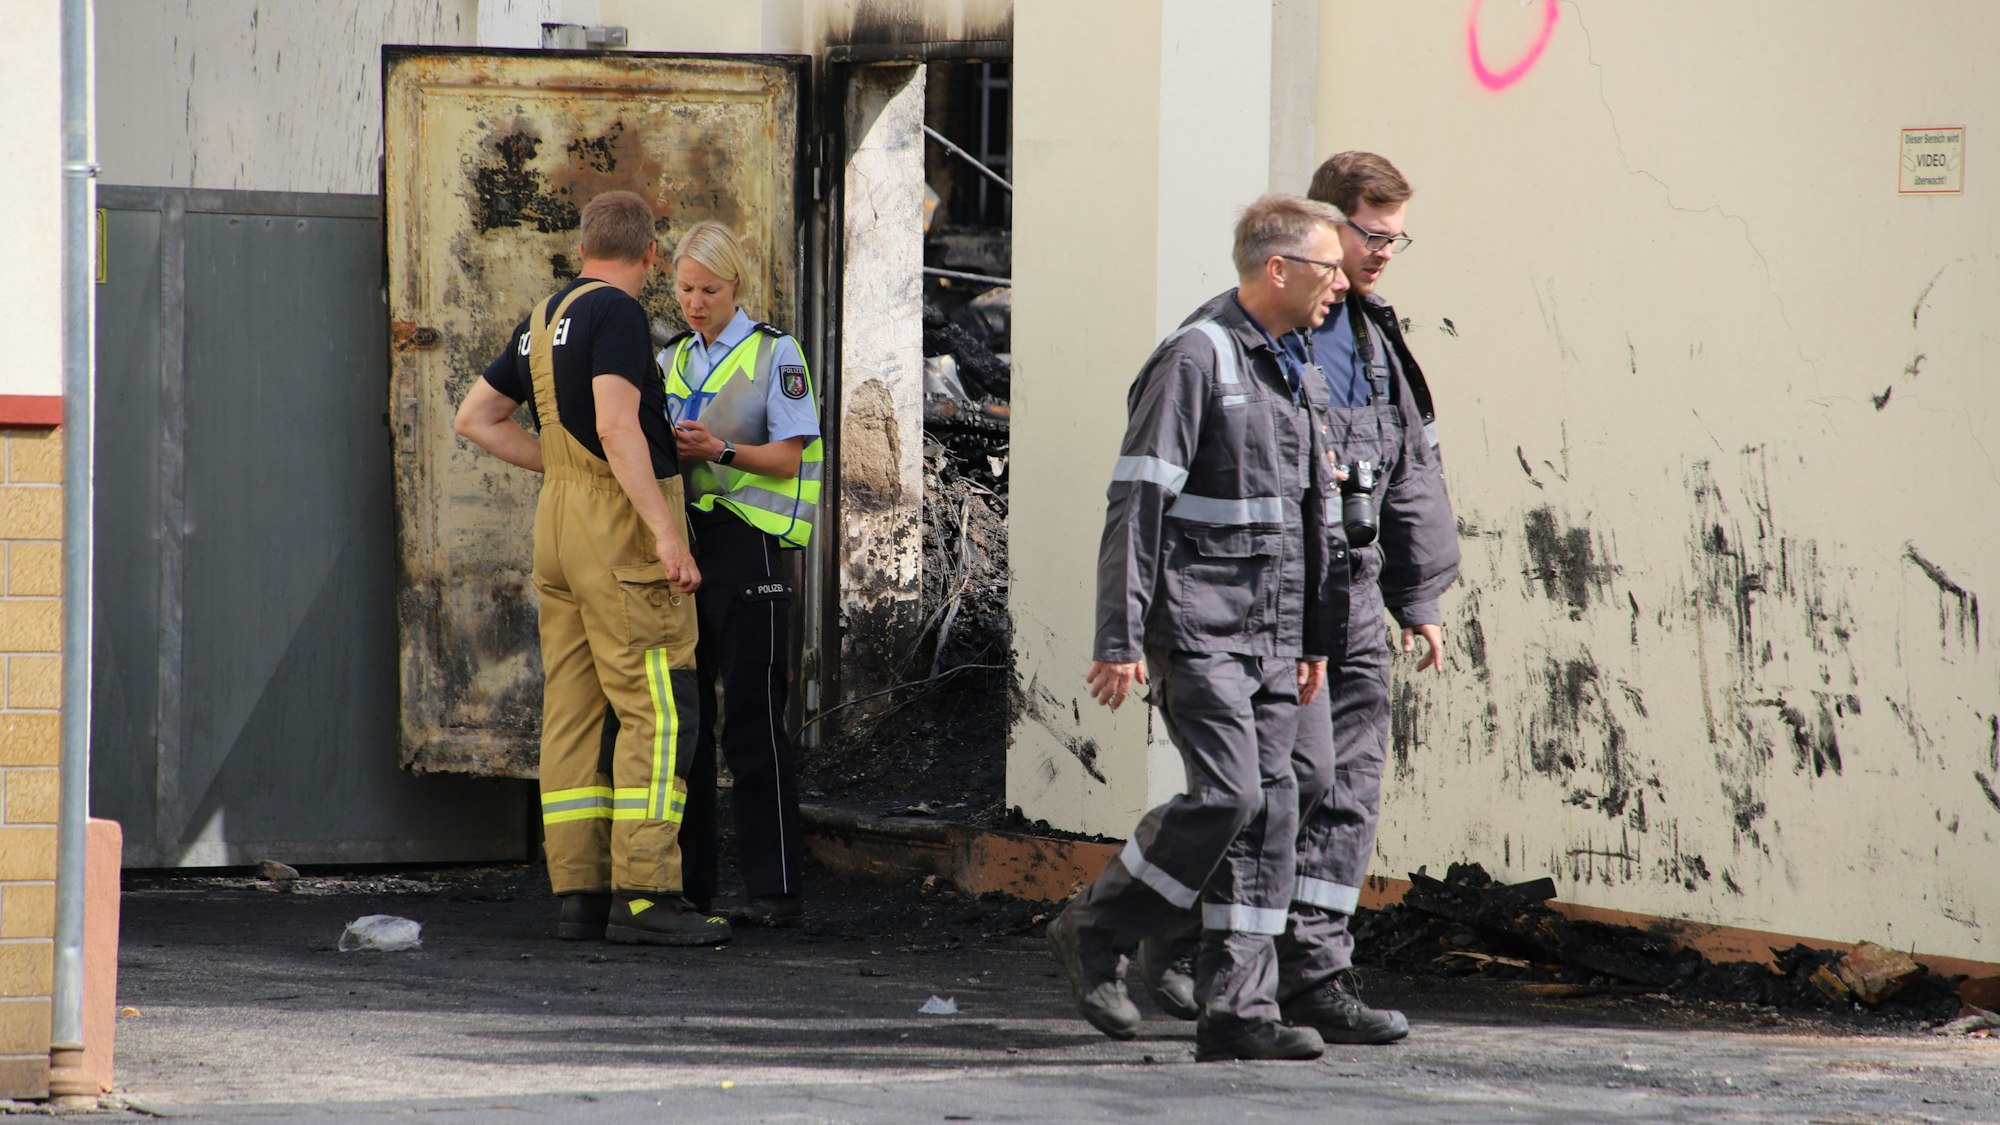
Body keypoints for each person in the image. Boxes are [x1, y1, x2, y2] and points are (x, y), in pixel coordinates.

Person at [1135, 152, 1462, 1044]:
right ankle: (1172, 941)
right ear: (1324, 226)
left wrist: (1419, 593)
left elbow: (1408, 467)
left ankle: (1316, 976)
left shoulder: (1375, 338)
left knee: (1346, 789)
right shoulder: (1261, 333)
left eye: (1398, 236)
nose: (1387, 252)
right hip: (1283, 596)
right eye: (1373, 234)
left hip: (1353, 594)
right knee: (1278, 788)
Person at [1046, 194, 1347, 1063]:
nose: (1340, 283)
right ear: (1277, 269)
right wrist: (1119, 634)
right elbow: (1136, 501)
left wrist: (1312, 639)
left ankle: (1237, 1011)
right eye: (1327, 267)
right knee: (1231, 795)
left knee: (1278, 804)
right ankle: (1096, 927)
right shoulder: (1196, 357)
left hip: (1273, 635)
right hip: (1202, 625)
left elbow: (1309, 515)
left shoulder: (1292, 363)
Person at [453, 190, 729, 947]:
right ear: (651, 255)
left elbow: (474, 417)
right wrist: (665, 534)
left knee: (573, 710)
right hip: (616, 530)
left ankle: (581, 894)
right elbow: (613, 420)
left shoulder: (544, 318)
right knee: (659, 707)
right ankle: (648, 895)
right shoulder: (617, 313)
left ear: (581, 249)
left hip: (559, 525)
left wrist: (563, 467)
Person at [657, 221, 823, 927]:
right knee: (689, 721)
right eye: (686, 289)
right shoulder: (670, 359)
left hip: (752, 547)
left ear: (736, 288)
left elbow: (789, 457)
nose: (695, 302)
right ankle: (691, 887)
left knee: (754, 721)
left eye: (709, 290)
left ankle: (774, 891)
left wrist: (720, 450)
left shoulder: (776, 354)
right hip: (688, 548)